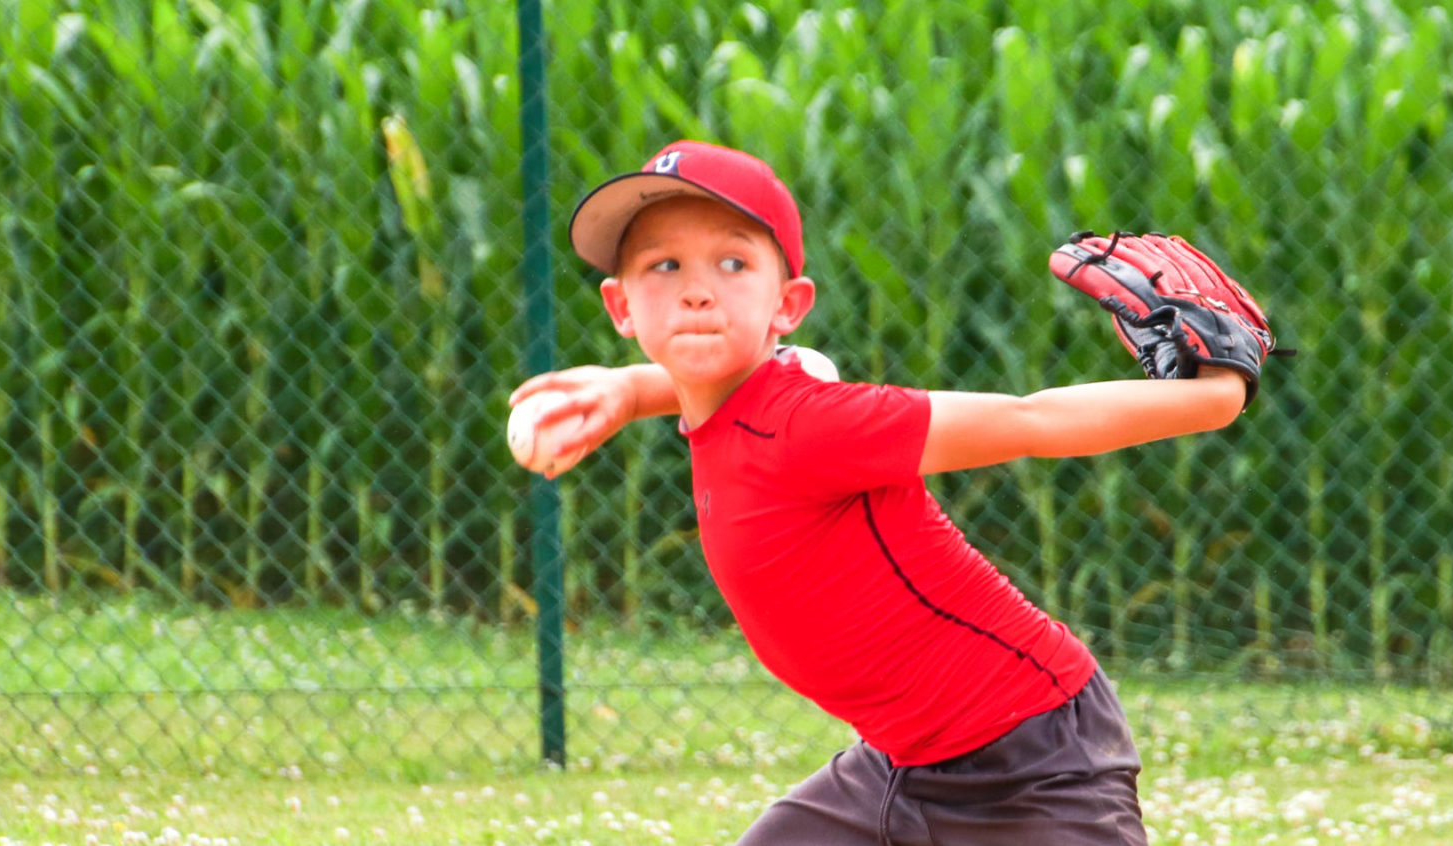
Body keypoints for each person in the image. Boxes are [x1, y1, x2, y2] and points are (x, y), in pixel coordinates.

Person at [506, 139, 1277, 845]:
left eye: (732, 264)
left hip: (1031, 752)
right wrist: (628, 391)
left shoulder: (812, 424)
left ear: (788, 303)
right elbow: (731, 374)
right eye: (663, 266)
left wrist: (1212, 398)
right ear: (620, 306)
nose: (697, 292)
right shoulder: (764, 392)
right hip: (900, 764)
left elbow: (1028, 420)